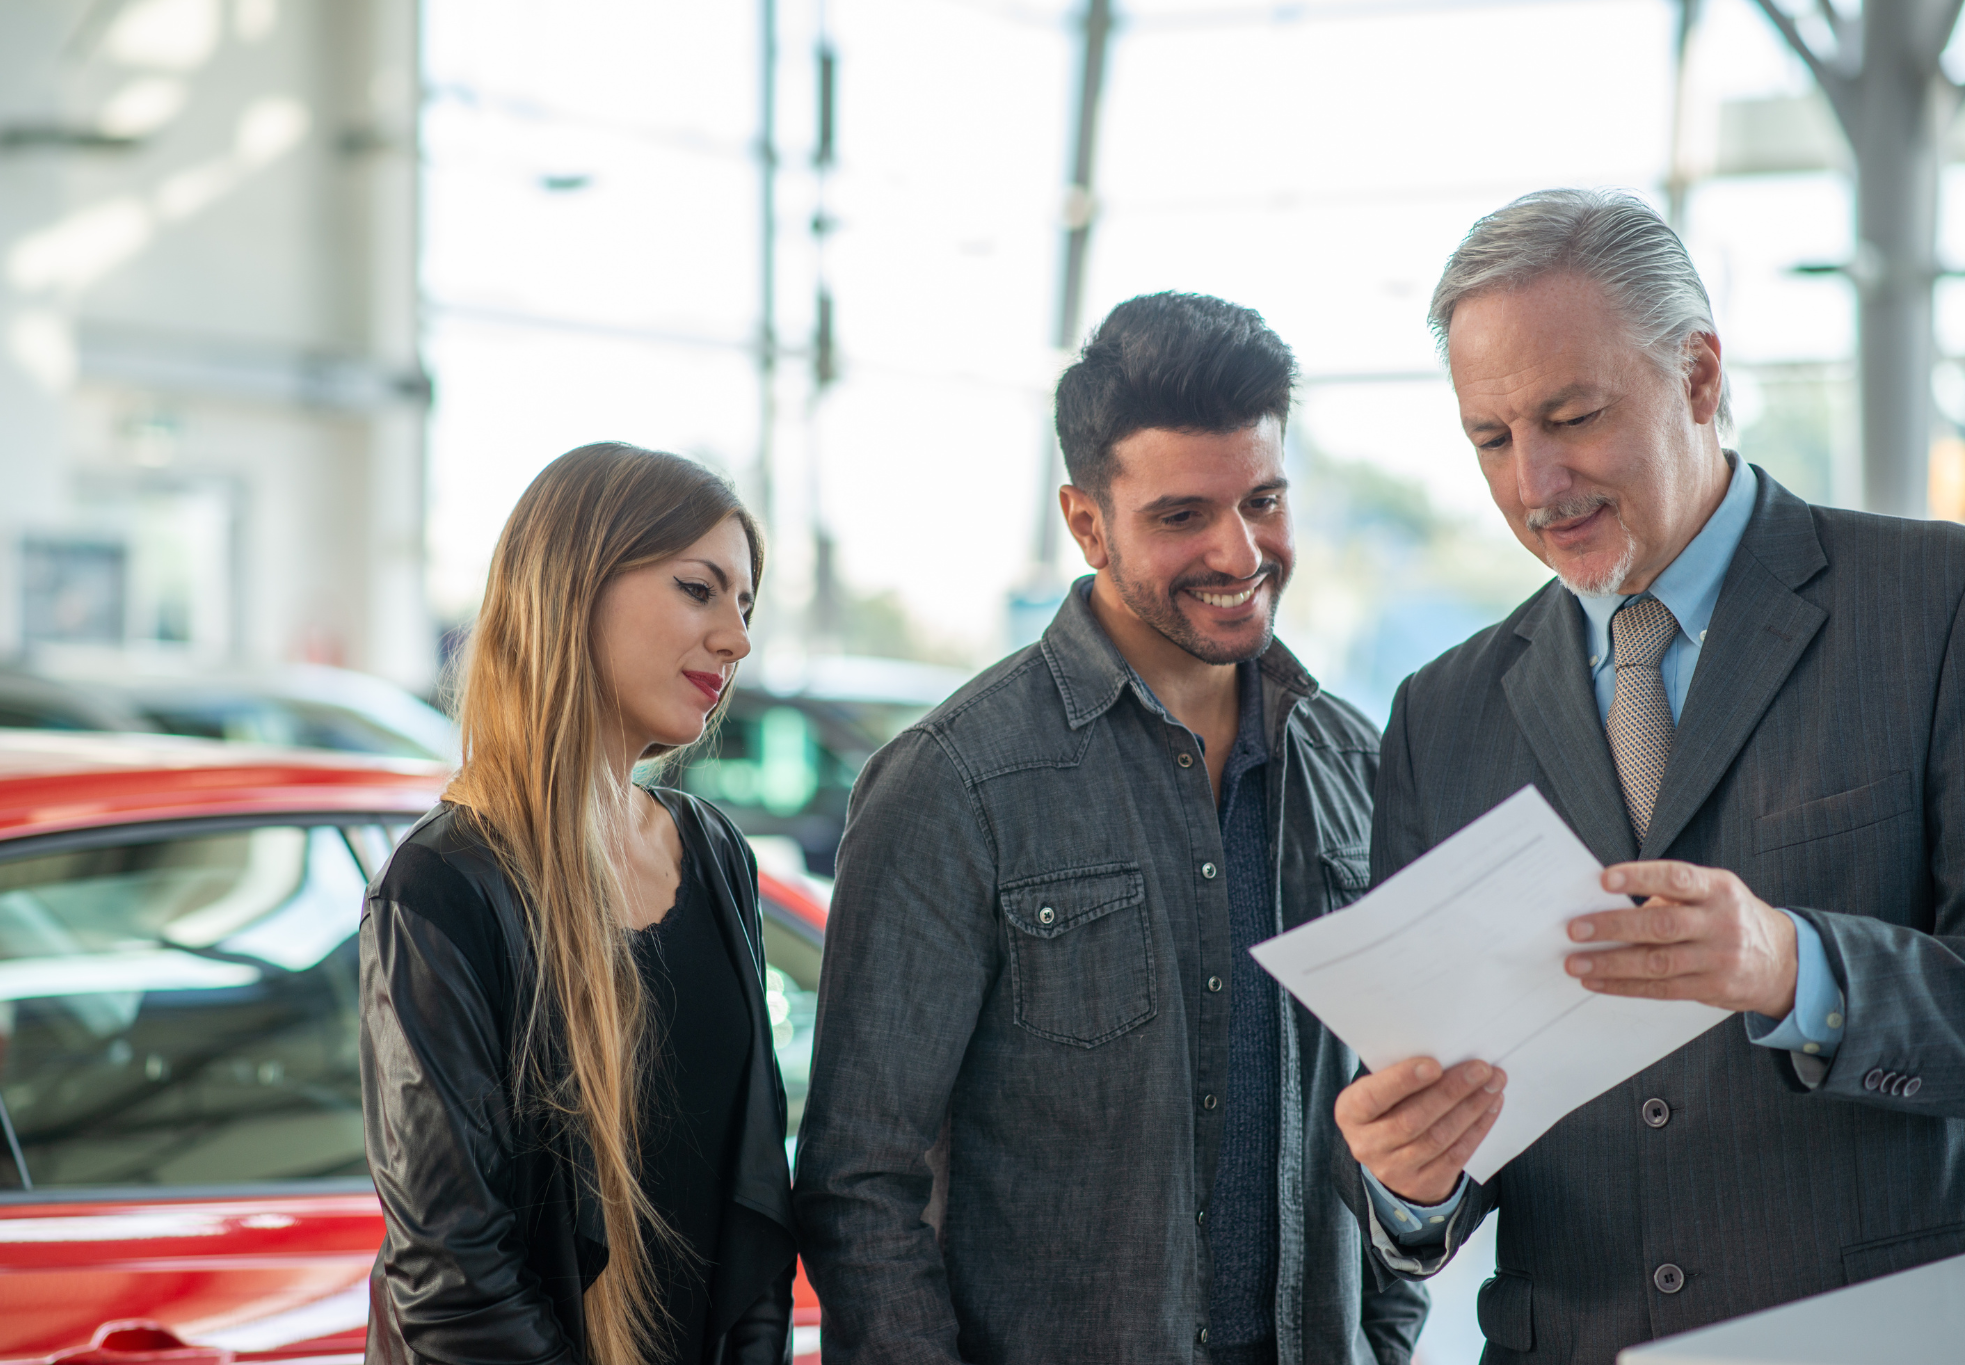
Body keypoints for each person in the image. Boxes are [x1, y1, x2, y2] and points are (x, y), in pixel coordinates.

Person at [1332, 189, 1965, 1363]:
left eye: (1571, 416)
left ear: (1699, 377)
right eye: (1489, 438)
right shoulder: (1440, 713)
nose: (1533, 483)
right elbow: (1448, 1131)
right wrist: (1413, 1185)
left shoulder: (1931, 608)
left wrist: (1796, 968)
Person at [794, 292, 1429, 1365]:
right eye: (1181, 516)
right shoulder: (952, 783)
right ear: (1085, 522)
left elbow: (1392, 1117)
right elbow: (859, 1182)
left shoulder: (1352, 764)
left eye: (1262, 501)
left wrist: (1383, 1337)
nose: (1240, 552)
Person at [359, 443, 797, 1365]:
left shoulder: (715, 855)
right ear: (575, 585)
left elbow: (753, 1208)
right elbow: (455, 1281)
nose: (737, 637)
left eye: (745, 604)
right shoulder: (445, 886)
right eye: (698, 588)